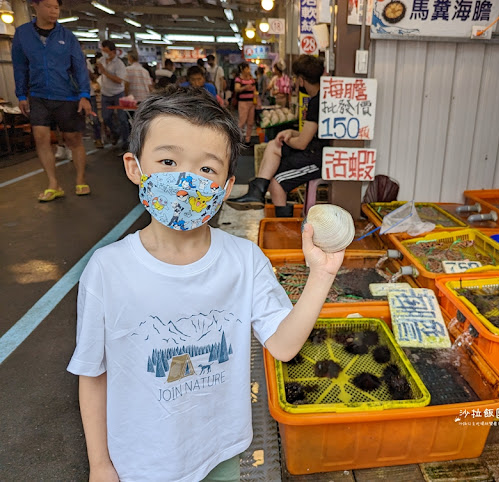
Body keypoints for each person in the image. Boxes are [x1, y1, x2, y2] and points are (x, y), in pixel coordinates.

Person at [66, 85, 344, 482]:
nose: (185, 181)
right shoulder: (108, 270)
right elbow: (93, 374)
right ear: (134, 167)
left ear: (226, 188)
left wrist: (322, 274)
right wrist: (100, 465)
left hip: (221, 450)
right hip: (141, 461)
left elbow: (283, 346)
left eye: (206, 169)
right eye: (167, 160)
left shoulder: (244, 261)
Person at [11, 0, 94, 201]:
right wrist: (21, 95)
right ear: (35, 6)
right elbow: (20, 66)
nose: (53, 11)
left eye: (56, 7)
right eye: (48, 6)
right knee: (41, 138)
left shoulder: (67, 36)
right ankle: (53, 184)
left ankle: (80, 179)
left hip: (67, 95)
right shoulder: (22, 34)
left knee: (73, 140)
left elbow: (80, 67)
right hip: (38, 95)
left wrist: (84, 95)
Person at [227, 55, 328, 216]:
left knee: (277, 180)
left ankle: (260, 194)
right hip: (316, 150)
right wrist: (291, 133)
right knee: (274, 148)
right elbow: (312, 134)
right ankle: (257, 191)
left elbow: (302, 143)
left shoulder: (316, 102)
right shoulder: (321, 98)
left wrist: (290, 139)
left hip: (319, 158)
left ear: (301, 79)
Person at [98, 40, 130, 150]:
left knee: (122, 118)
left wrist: (105, 72)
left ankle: (126, 141)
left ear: (113, 51)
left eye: (106, 51)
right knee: (106, 117)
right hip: (105, 94)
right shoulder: (101, 60)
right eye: (103, 50)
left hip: (118, 93)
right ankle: (115, 132)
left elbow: (119, 80)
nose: (104, 53)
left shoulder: (119, 64)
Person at [234, 62, 256, 144]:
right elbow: (237, 89)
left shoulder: (251, 78)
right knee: (242, 121)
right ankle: (238, 139)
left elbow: (255, 89)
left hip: (251, 103)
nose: (248, 70)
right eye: (247, 68)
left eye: (249, 68)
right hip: (243, 103)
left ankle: (248, 139)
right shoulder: (238, 79)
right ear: (242, 69)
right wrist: (245, 87)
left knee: (250, 122)